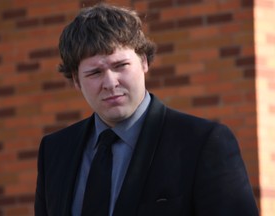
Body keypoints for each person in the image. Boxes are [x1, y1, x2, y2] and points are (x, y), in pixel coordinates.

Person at [34, 3, 259, 216]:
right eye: (94, 73)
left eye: (120, 65)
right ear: (75, 80)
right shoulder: (55, 151)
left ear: (144, 62)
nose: (110, 83)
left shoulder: (203, 143)